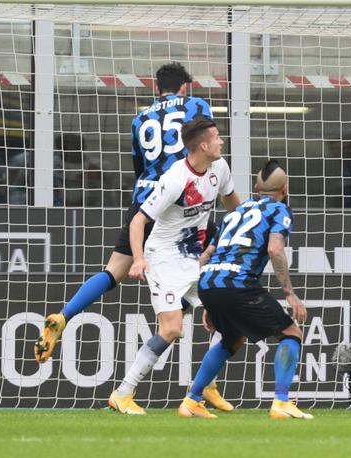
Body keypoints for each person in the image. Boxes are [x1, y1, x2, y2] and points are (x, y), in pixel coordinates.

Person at [35, 62, 216, 360]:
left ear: (157, 88)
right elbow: (207, 147)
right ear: (186, 86)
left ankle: (64, 316)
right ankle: (196, 354)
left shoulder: (140, 118)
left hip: (146, 200)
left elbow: (139, 166)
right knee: (205, 268)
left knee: (113, 270)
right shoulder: (197, 105)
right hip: (184, 201)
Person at [108, 116, 241, 414]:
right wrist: (139, 259)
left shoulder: (219, 167)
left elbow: (234, 205)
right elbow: (139, 221)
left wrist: (246, 227)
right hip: (163, 258)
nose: (221, 141)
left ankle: (206, 386)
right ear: (203, 145)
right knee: (171, 328)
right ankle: (122, 393)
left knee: (227, 316)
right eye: (217, 137)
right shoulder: (175, 179)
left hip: (194, 258)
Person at [177, 159, 313, 420]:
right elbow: (275, 249)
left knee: (232, 338)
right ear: (285, 188)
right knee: (290, 333)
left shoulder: (234, 213)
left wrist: (208, 299)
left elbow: (207, 255)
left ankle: (192, 400)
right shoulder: (280, 210)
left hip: (209, 281)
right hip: (238, 282)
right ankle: (282, 403)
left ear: (255, 186)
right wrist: (289, 293)